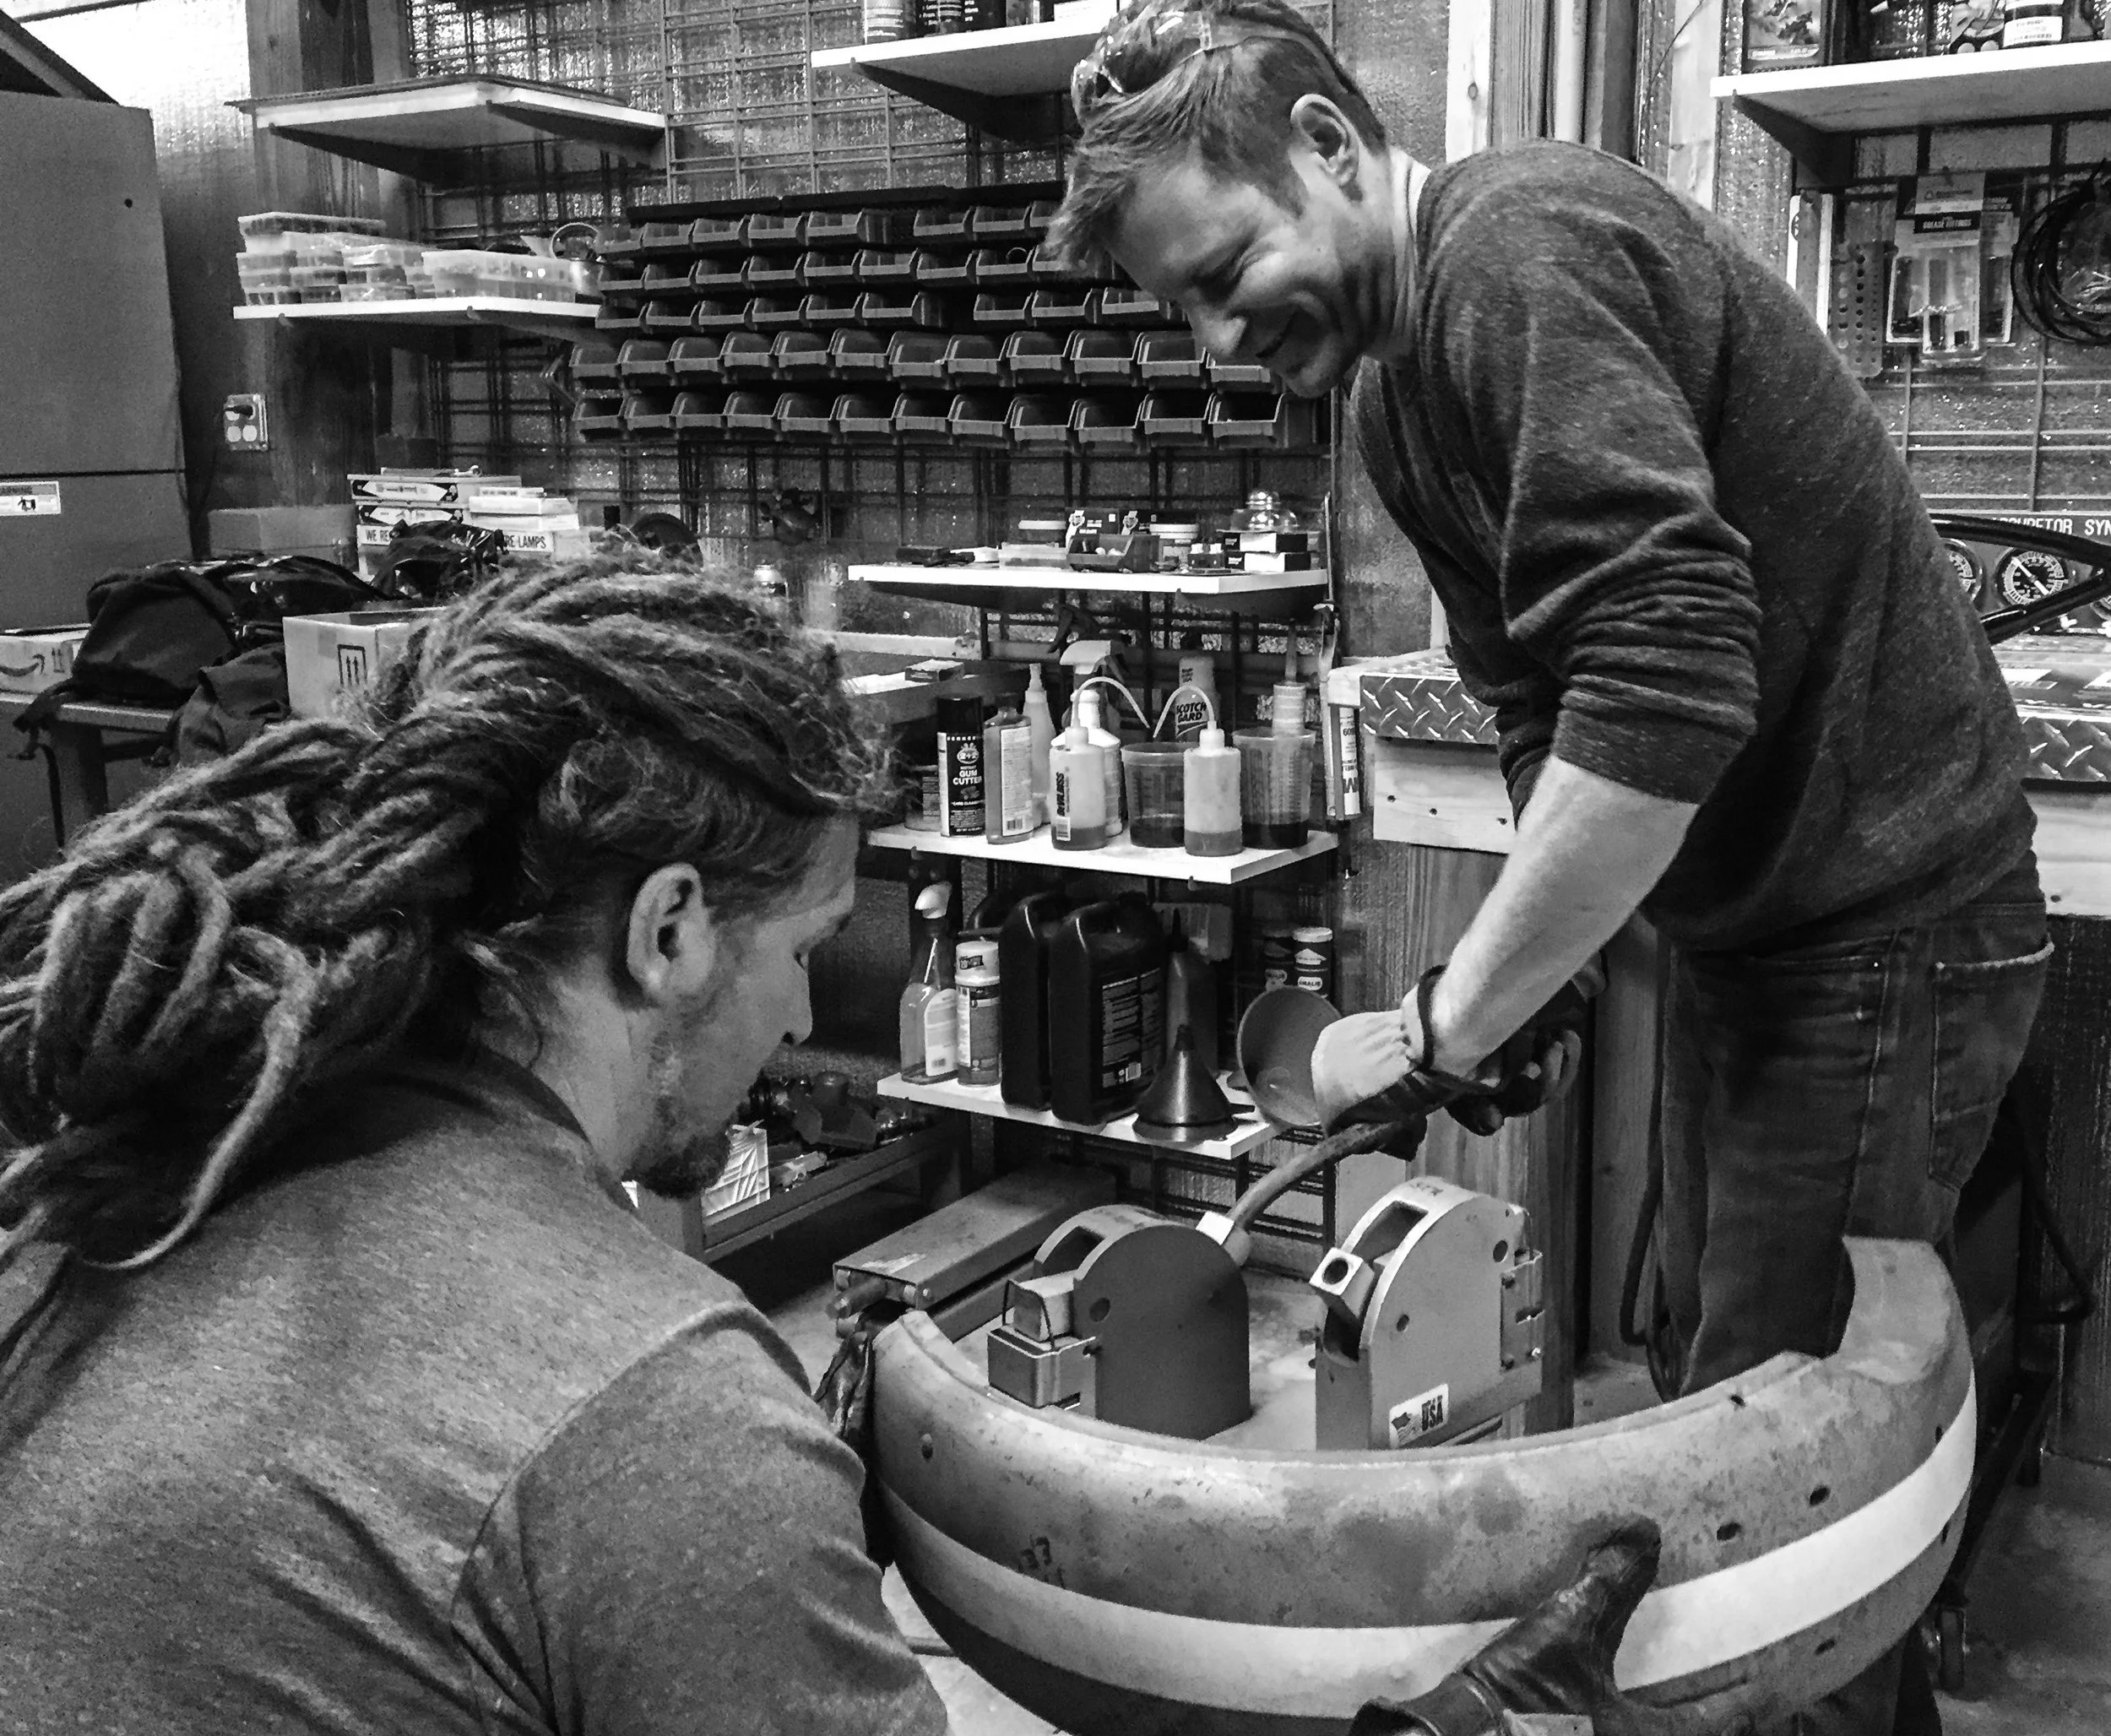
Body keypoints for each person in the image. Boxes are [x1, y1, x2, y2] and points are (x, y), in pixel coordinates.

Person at [0, 548, 1680, 1736]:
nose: (802, 1014)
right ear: (667, 928)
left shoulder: (131, 1179)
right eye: (805, 944)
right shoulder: (642, 1414)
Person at [1050, 4, 2050, 1734]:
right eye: (1177, 307)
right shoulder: (1390, 401)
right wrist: (1545, 972)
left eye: (1224, 268)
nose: (1215, 334)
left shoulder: (1516, 250)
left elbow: (1667, 671)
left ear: (1334, 148)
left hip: (1884, 924)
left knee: (1782, 1475)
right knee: (1716, 1396)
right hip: (1764, 930)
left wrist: (1446, 1016)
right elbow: (1546, 700)